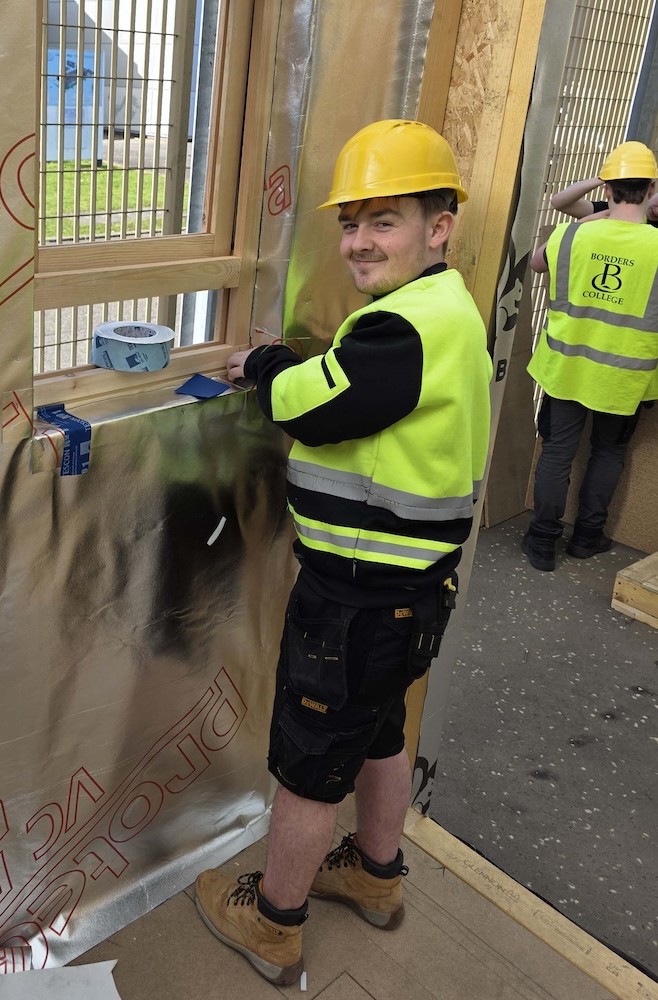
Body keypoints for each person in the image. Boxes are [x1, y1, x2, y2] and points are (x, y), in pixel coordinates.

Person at [193, 120, 492, 985]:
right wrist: (299, 361)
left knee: (308, 765)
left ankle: (276, 922)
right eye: (351, 222)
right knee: (380, 731)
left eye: (385, 220)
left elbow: (313, 404)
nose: (360, 240)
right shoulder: (441, 313)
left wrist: (260, 363)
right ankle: (376, 871)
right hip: (408, 594)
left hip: (355, 601)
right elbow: (356, 389)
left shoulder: (404, 329)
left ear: (440, 225)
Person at [521, 141, 658, 572]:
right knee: (608, 454)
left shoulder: (573, 233)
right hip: (625, 377)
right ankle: (585, 539)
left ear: (610, 185)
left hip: (566, 367)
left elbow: (537, 264)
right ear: (651, 186)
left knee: (558, 452)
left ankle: (542, 543)